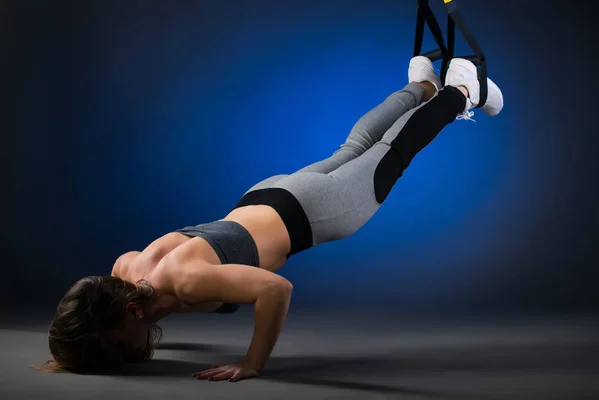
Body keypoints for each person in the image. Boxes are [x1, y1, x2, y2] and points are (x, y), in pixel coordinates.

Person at [39, 56, 503, 382]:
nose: (128, 355)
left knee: (391, 153)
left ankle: (462, 88)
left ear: (131, 311)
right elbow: (147, 304)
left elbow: (275, 289)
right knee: (355, 147)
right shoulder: (126, 269)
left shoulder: (182, 282)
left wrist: (252, 362)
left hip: (316, 213)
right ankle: (421, 84)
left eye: (119, 348)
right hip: (266, 195)